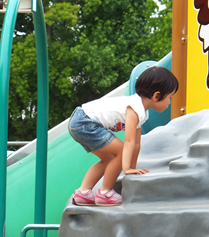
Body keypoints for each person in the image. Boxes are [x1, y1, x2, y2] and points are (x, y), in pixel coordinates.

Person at [67, 66, 179, 206]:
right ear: (156, 96)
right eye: (169, 98)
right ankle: (105, 193)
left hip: (80, 121)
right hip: (85, 121)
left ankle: (83, 193)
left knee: (108, 158)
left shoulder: (142, 112)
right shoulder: (135, 107)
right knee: (119, 152)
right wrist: (127, 169)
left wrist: (133, 167)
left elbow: (137, 143)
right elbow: (129, 142)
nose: (169, 103)